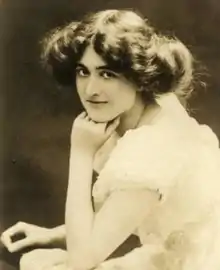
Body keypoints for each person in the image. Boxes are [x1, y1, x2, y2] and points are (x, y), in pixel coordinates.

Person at [1, 9, 220, 270]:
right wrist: (51, 235)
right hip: (174, 256)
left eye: (107, 74)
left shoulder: (156, 147)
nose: (91, 90)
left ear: (140, 76)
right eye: (84, 72)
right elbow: (120, 216)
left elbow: (81, 263)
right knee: (39, 261)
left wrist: (81, 153)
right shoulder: (151, 110)